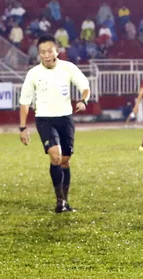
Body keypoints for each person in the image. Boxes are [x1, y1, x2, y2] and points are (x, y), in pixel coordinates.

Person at [19, 35, 91, 213]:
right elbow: (25, 102)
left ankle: (65, 201)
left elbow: (85, 86)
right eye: (42, 52)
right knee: (55, 156)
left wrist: (83, 100)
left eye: (49, 51)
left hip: (65, 119)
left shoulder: (68, 68)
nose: (46, 55)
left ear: (57, 50)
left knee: (65, 161)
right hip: (44, 119)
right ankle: (59, 202)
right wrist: (22, 127)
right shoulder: (34, 74)